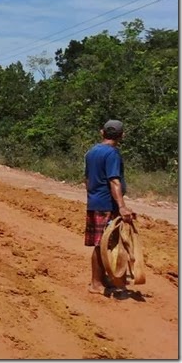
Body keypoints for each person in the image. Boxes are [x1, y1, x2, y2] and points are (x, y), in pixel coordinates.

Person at [84, 119, 134, 294]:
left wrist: (92, 196)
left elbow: (87, 180)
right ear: (122, 135)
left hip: (95, 201)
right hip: (106, 204)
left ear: (102, 132)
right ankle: (96, 283)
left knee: (104, 243)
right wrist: (121, 206)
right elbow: (114, 180)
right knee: (103, 244)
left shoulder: (91, 152)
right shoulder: (112, 154)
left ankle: (102, 279)